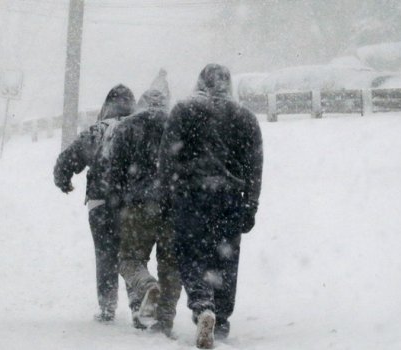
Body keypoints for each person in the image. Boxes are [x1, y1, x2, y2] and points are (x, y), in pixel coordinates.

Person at [158, 64, 263, 349]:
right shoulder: (244, 117)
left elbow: (167, 159)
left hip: (190, 196)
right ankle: (222, 320)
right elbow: (255, 166)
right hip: (230, 198)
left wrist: (166, 197)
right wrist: (251, 203)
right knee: (225, 257)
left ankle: (203, 306)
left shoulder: (183, 111)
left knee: (191, 253)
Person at [53, 84, 136, 322]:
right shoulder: (138, 129)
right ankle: (138, 305)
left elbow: (67, 160)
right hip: (133, 204)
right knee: (133, 254)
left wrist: (63, 181)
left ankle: (108, 307)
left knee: (105, 254)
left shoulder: (96, 132)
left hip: (100, 204)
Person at [105, 89, 181, 336]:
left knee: (129, 260)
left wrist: (116, 203)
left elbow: (114, 170)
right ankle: (165, 321)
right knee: (170, 265)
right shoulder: (177, 126)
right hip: (173, 206)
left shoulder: (127, 127)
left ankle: (147, 285)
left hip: (137, 206)